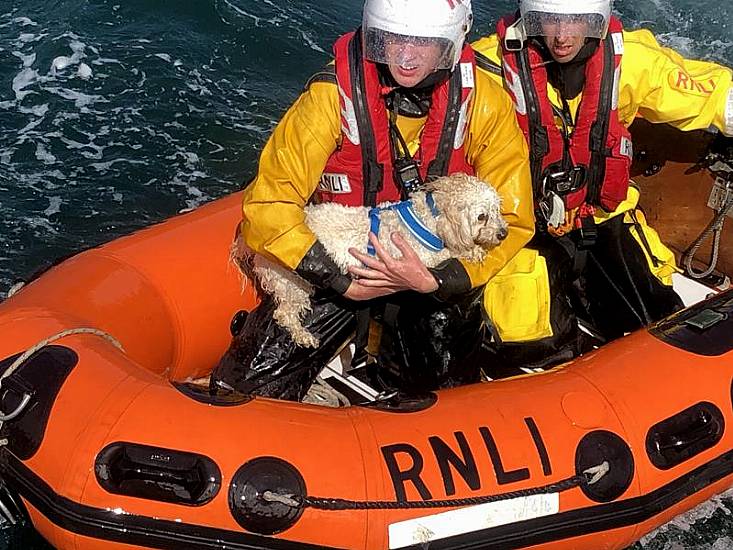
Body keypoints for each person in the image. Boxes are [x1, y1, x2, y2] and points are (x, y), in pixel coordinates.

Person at [210, 0, 534, 401]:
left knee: (445, 394)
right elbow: (268, 204)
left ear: (451, 43)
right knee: (245, 387)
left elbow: (516, 220)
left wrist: (435, 280)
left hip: (434, 274)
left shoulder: (485, 102)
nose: (406, 56)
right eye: (394, 38)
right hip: (342, 265)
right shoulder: (331, 97)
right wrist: (339, 279)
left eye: (423, 43)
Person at [472, 0, 733, 369]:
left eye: (576, 20)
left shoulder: (628, 60)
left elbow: (710, 95)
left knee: (659, 320)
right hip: (523, 230)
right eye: (550, 20)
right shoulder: (486, 67)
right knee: (527, 343)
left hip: (603, 215)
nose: (562, 36)